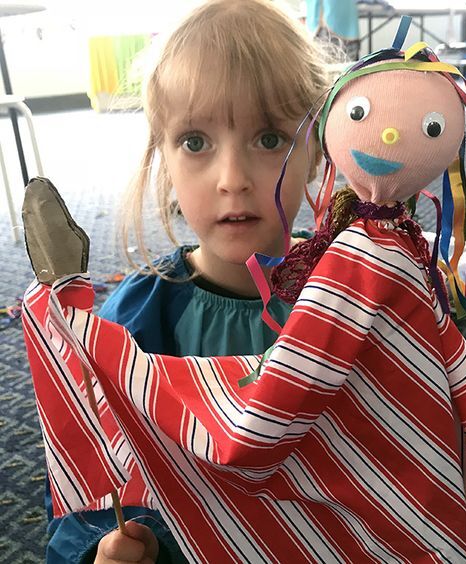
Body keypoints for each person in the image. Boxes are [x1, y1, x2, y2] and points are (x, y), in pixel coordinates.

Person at [44, 1, 329, 562]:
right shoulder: (137, 321)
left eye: (270, 138)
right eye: (195, 142)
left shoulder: (351, 298)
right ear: (165, 158)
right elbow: (97, 479)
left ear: (317, 150)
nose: (232, 180)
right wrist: (106, 547)